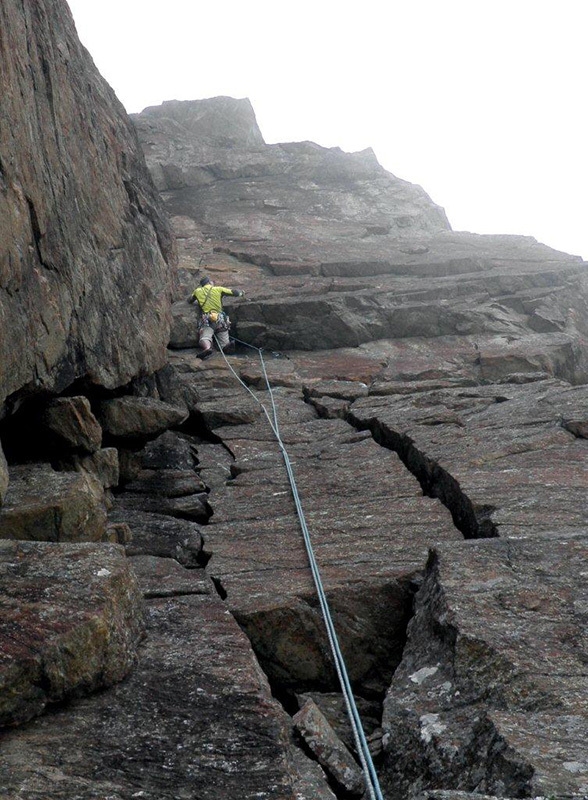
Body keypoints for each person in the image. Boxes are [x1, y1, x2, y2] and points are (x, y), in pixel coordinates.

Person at [188, 276, 244, 359]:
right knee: (223, 338)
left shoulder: (197, 291)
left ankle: (207, 348)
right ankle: (227, 346)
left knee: (205, 337)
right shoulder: (218, 289)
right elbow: (234, 292)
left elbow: (190, 300)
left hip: (208, 319)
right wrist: (241, 293)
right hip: (220, 319)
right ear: (210, 282)